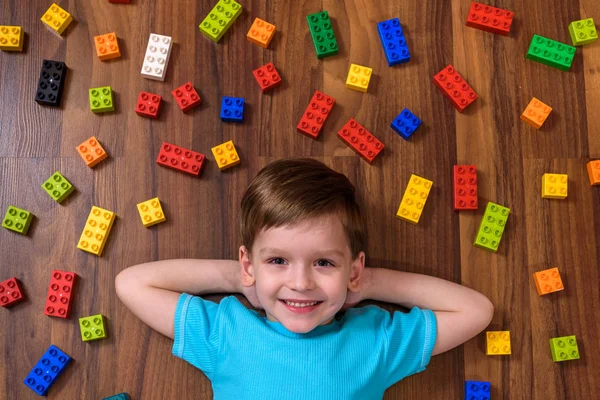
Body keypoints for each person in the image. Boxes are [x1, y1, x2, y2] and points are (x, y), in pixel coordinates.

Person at [116, 158, 494, 399]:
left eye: (324, 263)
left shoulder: (374, 341)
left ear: (354, 269)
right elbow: (132, 284)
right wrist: (244, 278)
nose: (301, 282)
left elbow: (476, 310)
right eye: (278, 260)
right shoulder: (227, 332)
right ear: (250, 265)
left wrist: (363, 282)